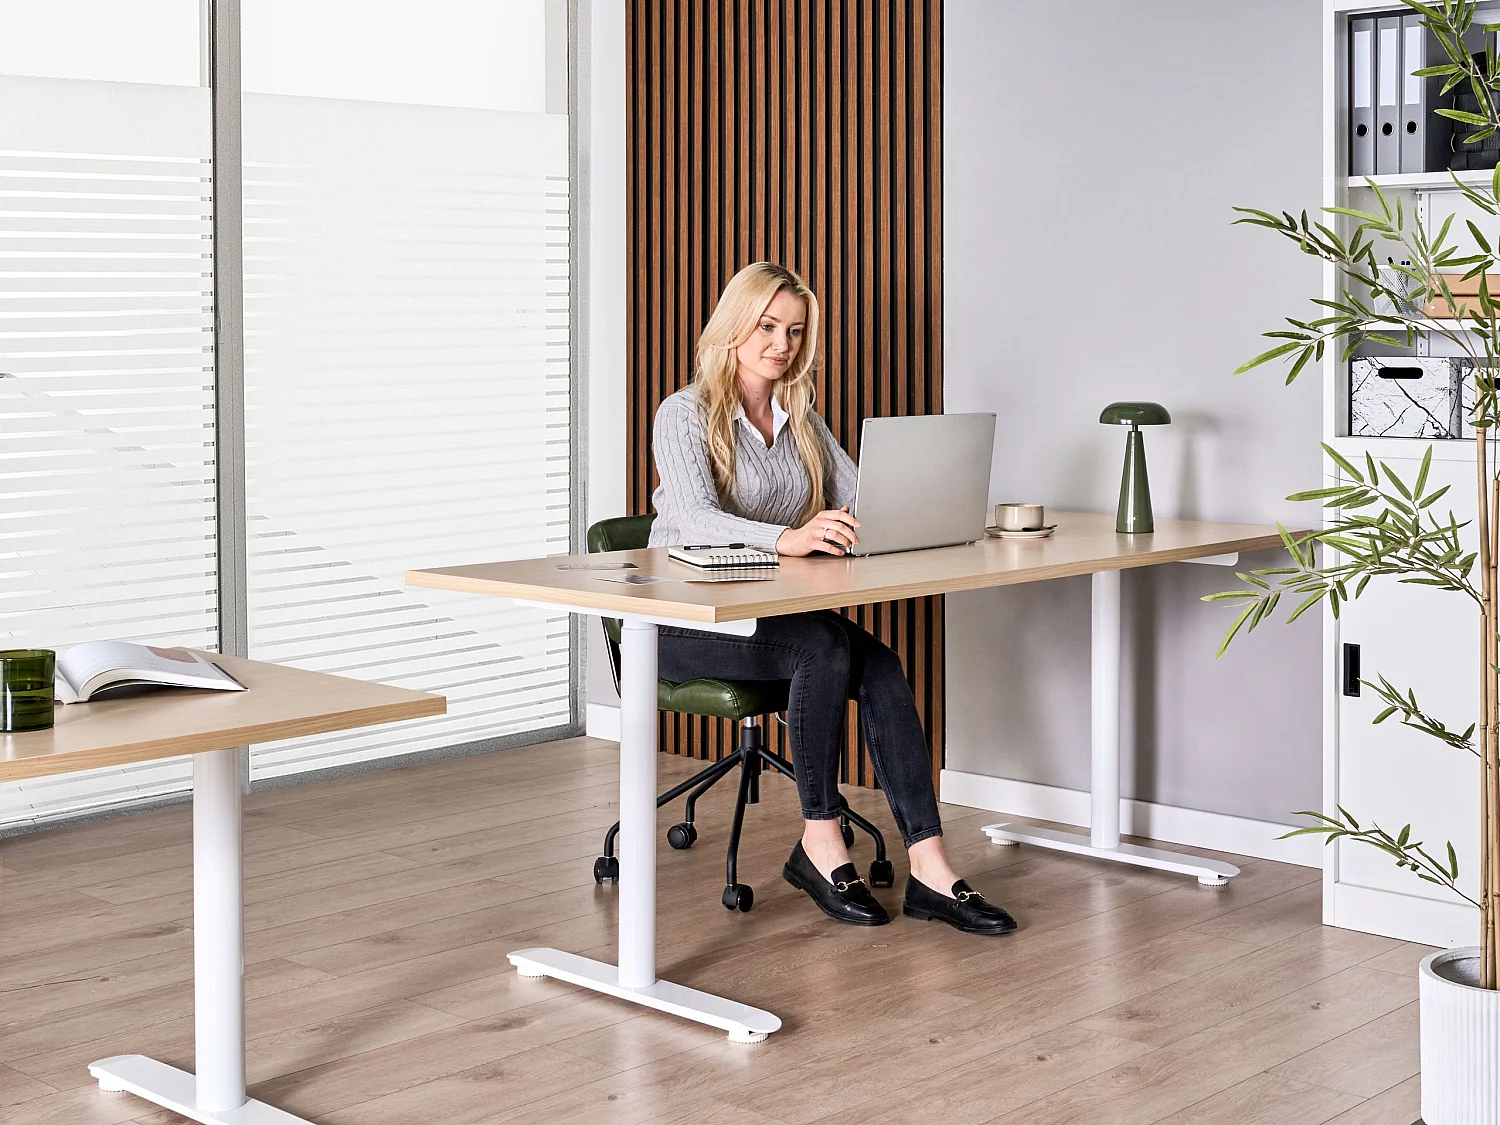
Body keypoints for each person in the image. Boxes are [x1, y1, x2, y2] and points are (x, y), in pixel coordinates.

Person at [649, 261, 1015, 935]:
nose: (781, 344)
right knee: (822, 646)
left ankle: (932, 866)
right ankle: (820, 842)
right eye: (766, 326)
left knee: (880, 665)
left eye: (793, 330)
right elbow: (697, 518)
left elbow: (859, 495)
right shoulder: (686, 413)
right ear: (734, 325)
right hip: (681, 619)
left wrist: (918, 513)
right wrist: (790, 537)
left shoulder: (801, 419)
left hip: (766, 613)